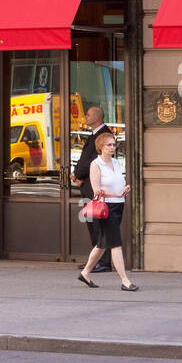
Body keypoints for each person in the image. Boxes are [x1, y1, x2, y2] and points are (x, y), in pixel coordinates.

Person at [77, 132, 138, 291]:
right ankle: (125, 280)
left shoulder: (116, 162)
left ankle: (85, 273)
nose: (112, 147)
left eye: (113, 144)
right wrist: (116, 194)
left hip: (118, 205)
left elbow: (118, 181)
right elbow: (96, 191)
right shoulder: (96, 164)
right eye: (109, 145)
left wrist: (125, 188)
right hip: (106, 208)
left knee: (102, 243)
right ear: (101, 147)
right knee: (115, 243)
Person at [72, 106, 114, 273]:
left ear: (96, 117)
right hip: (88, 187)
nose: (85, 117)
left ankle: (103, 262)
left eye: (88, 114)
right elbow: (86, 160)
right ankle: (95, 261)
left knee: (98, 225)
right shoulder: (95, 135)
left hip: (96, 189)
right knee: (92, 224)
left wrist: (76, 175)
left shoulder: (104, 135)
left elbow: (93, 161)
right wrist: (78, 175)